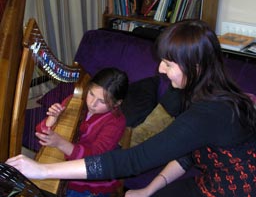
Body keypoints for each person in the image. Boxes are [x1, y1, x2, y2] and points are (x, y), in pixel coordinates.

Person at [6, 20, 256, 197]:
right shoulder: (197, 92)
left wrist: (42, 170)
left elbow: (133, 160)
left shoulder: (210, 112)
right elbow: (188, 153)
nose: (160, 70)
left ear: (196, 67)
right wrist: (149, 189)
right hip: (210, 179)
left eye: (168, 64)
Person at [33, 67, 129, 197]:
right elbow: (41, 133)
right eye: (91, 94)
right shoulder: (75, 101)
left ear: (117, 103)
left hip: (90, 181)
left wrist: (61, 143)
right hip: (62, 164)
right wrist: (52, 118)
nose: (92, 103)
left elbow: (95, 158)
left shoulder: (116, 122)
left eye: (102, 101)